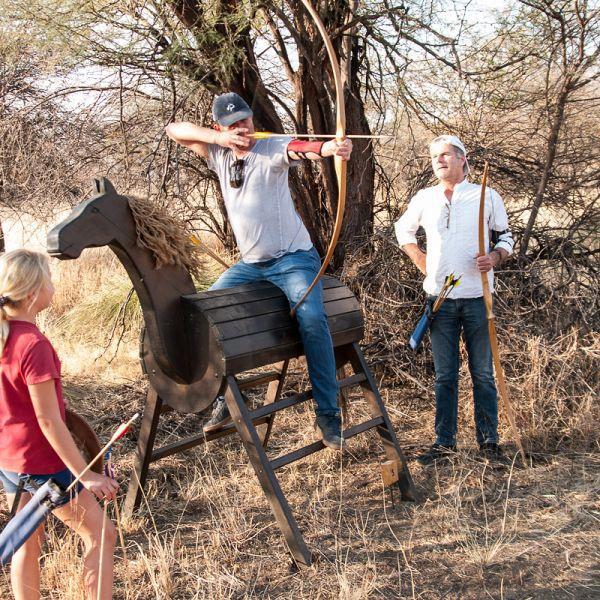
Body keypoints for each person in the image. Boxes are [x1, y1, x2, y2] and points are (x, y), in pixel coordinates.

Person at [166, 92, 353, 450]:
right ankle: (225, 398)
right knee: (204, 312)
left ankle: (328, 416)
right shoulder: (219, 152)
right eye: (233, 124)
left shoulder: (272, 147)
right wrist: (219, 139)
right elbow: (174, 129)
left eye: (246, 120)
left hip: (294, 259)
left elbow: (302, 148)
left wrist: (330, 149)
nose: (243, 128)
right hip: (252, 265)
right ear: (221, 127)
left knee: (312, 320)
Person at [0, 249, 119, 600]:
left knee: (28, 541)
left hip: (10, 461)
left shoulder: (5, 337)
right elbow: (49, 421)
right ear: (33, 292)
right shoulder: (32, 344)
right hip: (42, 465)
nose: (54, 286)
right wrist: (87, 474)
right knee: (102, 535)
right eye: (49, 279)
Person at [395, 135, 514, 464]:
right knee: (445, 375)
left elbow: (505, 237)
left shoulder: (485, 196)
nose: (439, 161)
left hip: (478, 297)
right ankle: (444, 442)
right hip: (440, 300)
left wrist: (495, 257)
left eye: (446, 155)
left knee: (483, 374)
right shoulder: (425, 197)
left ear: (462, 159)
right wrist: (421, 260)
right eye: (434, 156)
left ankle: (489, 442)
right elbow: (403, 231)